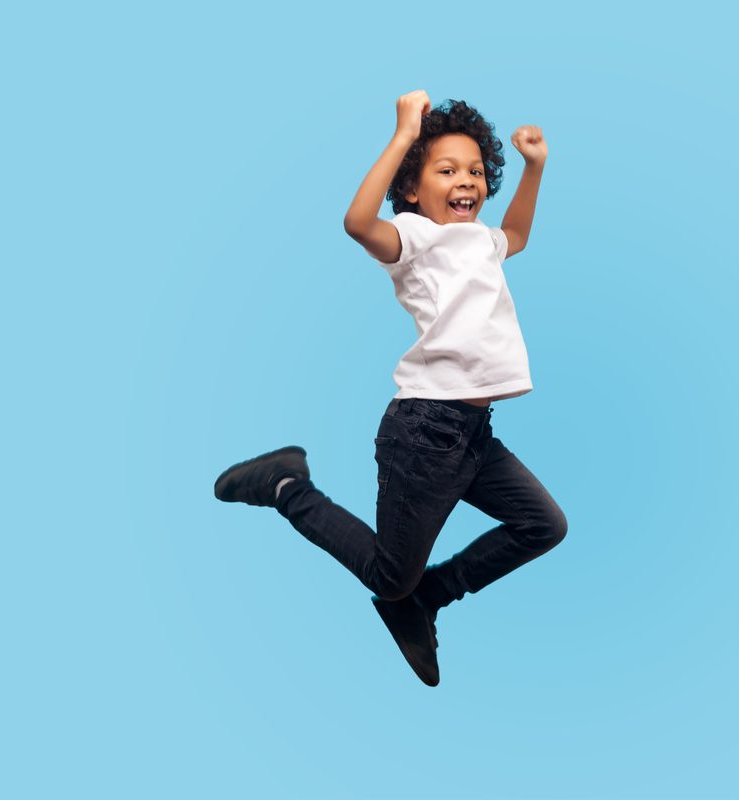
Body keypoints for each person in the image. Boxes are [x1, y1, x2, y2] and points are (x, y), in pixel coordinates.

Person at [214, 90, 567, 686]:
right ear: (411, 188)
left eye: (476, 171)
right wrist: (404, 135)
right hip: (424, 433)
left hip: (472, 436)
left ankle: (429, 597)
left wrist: (534, 166)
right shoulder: (415, 238)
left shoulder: (482, 240)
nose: (466, 181)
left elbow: (518, 234)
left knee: (544, 526)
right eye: (447, 171)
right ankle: (284, 485)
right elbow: (357, 224)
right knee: (388, 577)